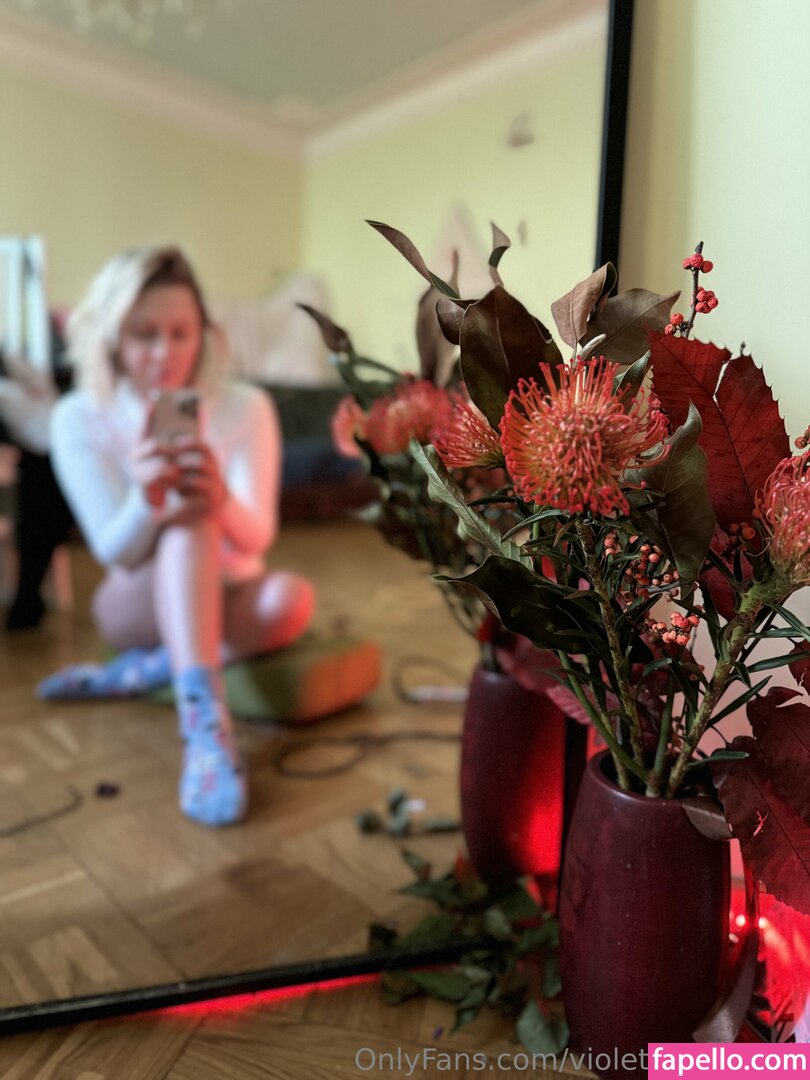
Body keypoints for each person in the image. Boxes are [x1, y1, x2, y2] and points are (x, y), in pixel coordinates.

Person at [38, 246, 315, 827]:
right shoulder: (77, 416)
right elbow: (114, 551)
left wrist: (221, 498)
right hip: (134, 602)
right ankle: (205, 726)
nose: (164, 352)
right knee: (187, 517)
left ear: (203, 335)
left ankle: (144, 672)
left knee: (293, 600)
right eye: (144, 334)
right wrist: (147, 501)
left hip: (228, 584)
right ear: (112, 337)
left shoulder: (248, 406)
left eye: (180, 333)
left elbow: (257, 539)